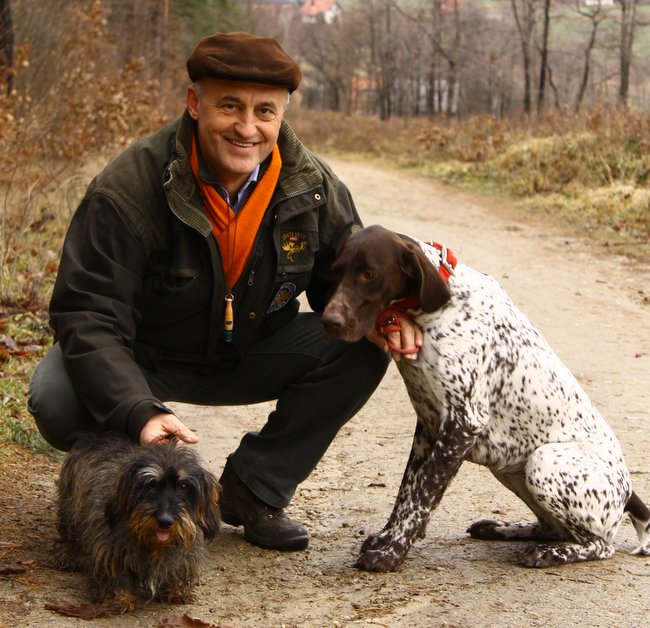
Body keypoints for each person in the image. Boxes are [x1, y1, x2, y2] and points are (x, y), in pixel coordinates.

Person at [28, 32, 421, 552]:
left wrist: (390, 316)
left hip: (253, 350)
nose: (247, 127)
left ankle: (253, 489)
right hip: (144, 356)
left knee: (359, 343)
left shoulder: (312, 187)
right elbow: (88, 314)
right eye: (229, 106)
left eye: (265, 111)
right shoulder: (128, 189)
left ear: (282, 115)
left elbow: (344, 284)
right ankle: (134, 496)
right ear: (195, 104)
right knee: (55, 396)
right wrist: (139, 410)